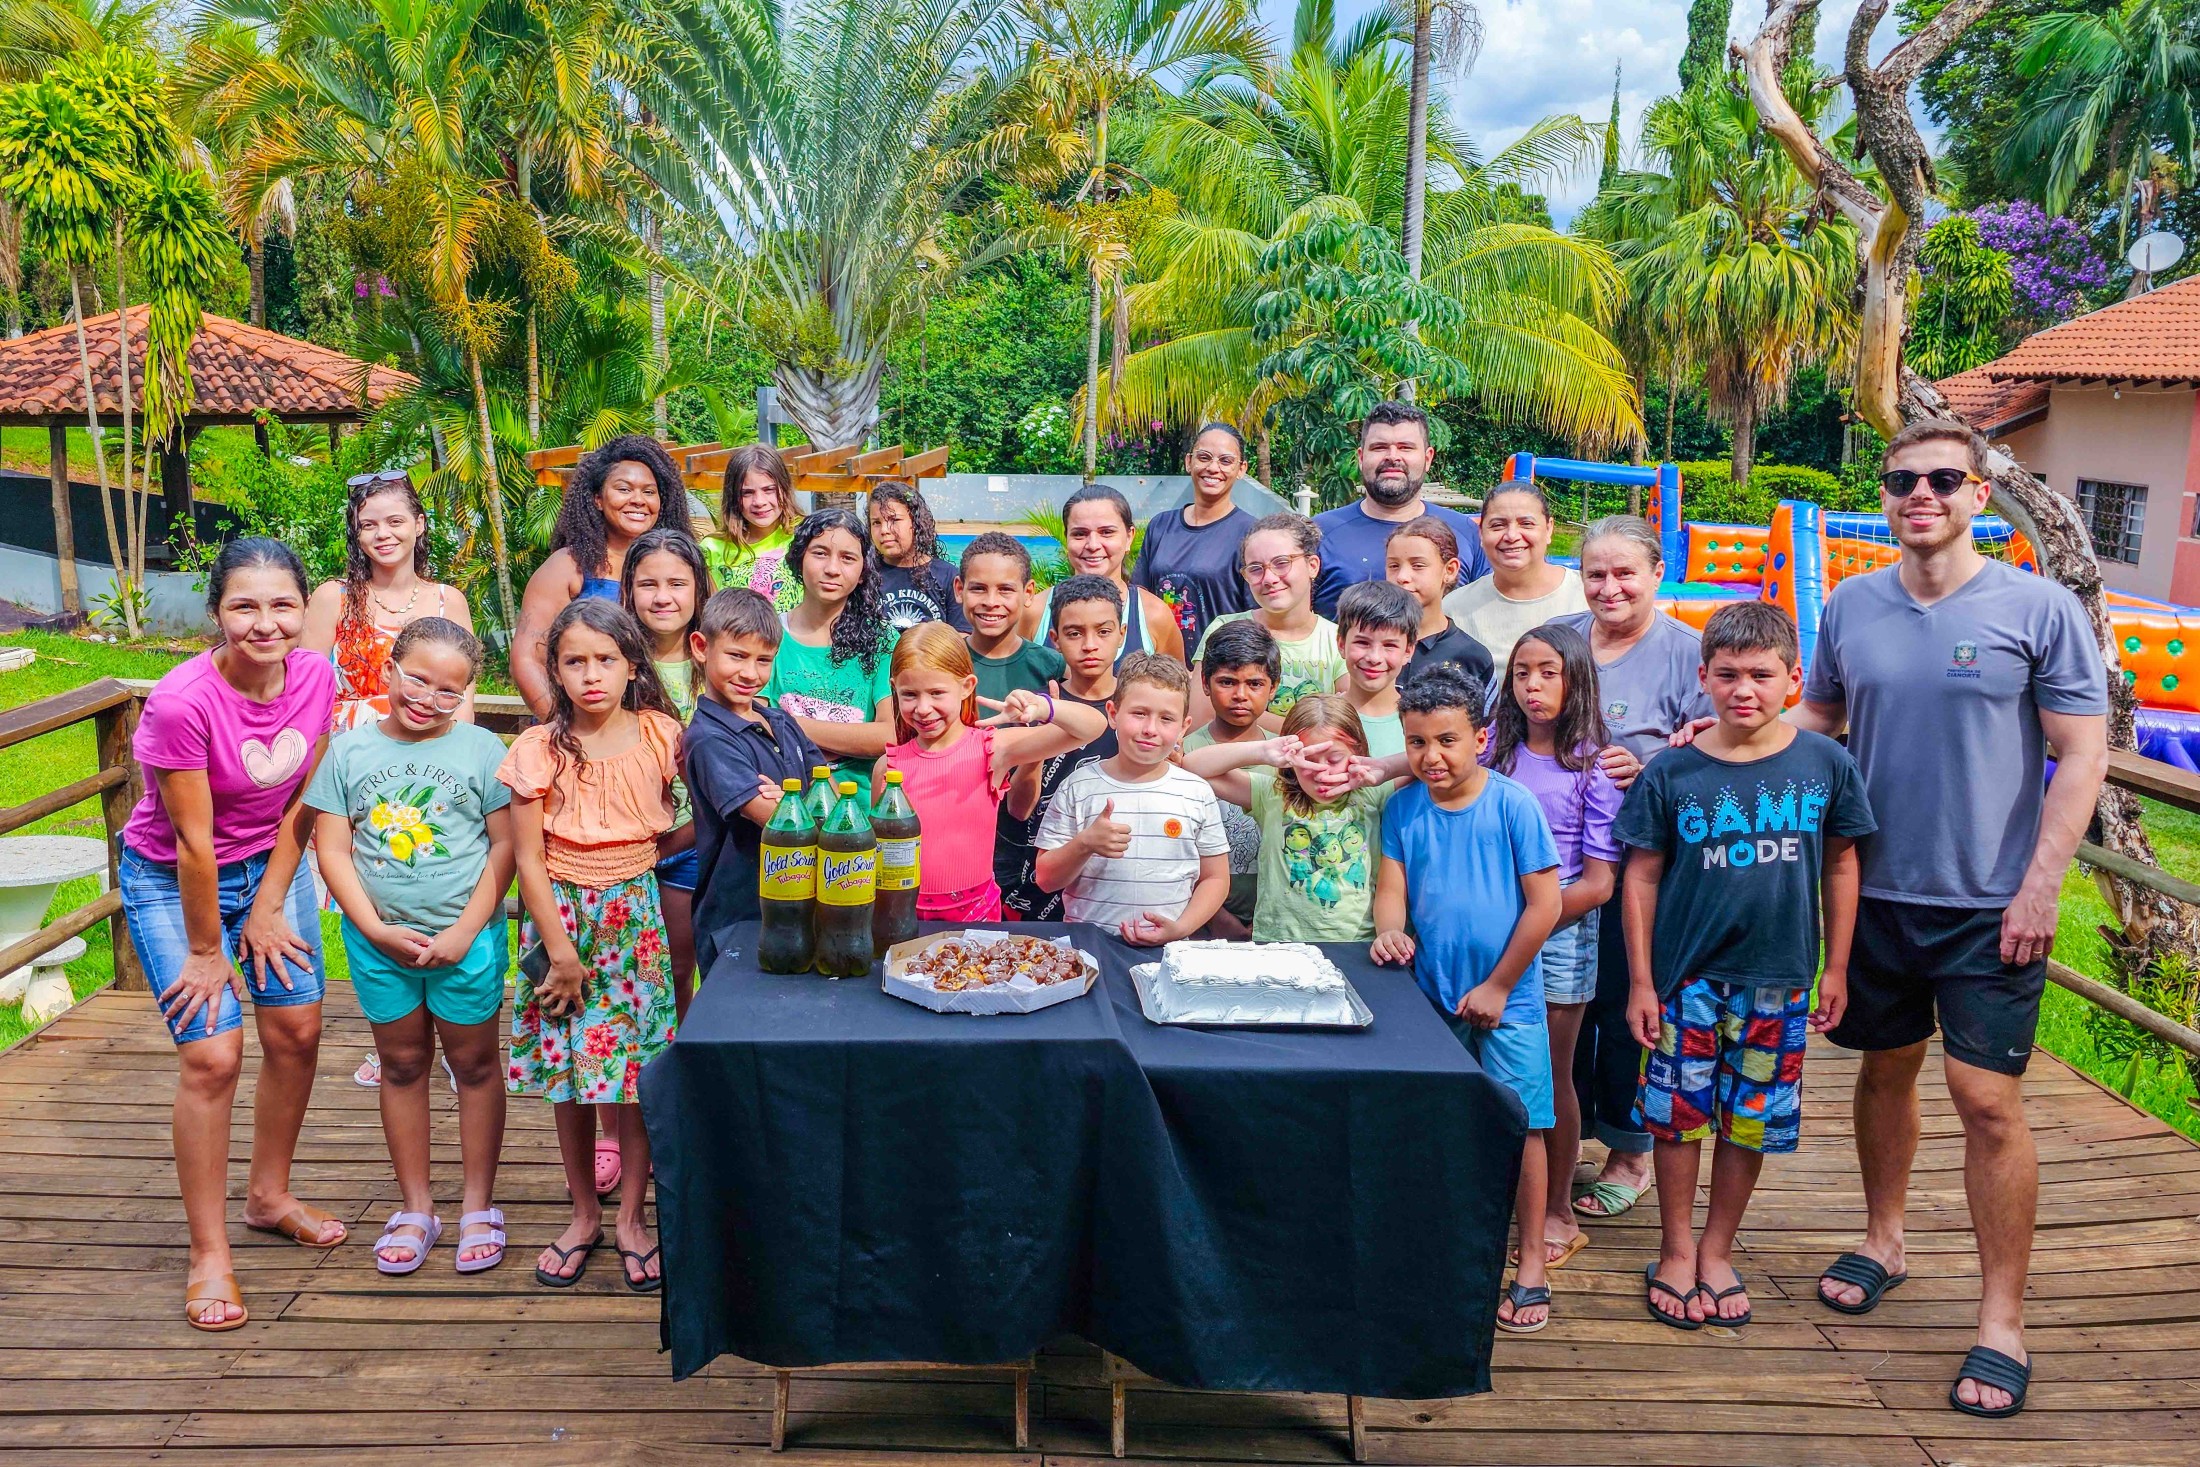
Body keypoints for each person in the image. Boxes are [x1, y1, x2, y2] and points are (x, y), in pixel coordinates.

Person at [1798, 420, 2109, 1419]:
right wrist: (1719, 738)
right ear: (1885, 497)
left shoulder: (2037, 606)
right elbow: (1816, 722)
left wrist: (2041, 884)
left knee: (1987, 1102)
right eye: (1901, 481)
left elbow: (2082, 753)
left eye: (1942, 478)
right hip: (1876, 891)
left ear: (1979, 494)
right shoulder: (1850, 604)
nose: (1920, 494)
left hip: (1991, 902)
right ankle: (1884, 1237)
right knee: (1884, 1068)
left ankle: (2000, 1320)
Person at [1618, 602, 1875, 1330]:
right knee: (1678, 1118)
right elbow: (1640, 876)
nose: (1744, 690)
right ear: (1702, 676)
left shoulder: (1825, 764)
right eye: (1727, 674)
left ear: (1794, 679)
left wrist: (1835, 967)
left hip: (1779, 977)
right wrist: (1642, 981)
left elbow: (1842, 863)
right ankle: (1674, 1248)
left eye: (1761, 675)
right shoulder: (1672, 770)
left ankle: (1717, 1248)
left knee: (1749, 1120)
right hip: (1685, 978)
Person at [119, 539, 343, 1332]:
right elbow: (192, 844)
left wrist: (271, 901)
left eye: (283, 604)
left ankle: (268, 1195)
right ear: (216, 610)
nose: (265, 622)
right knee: (213, 1054)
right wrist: (210, 949)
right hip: (175, 878)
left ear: (304, 608)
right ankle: (208, 1251)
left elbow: (306, 795)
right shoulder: (182, 702)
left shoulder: (317, 677)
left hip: (271, 864)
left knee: (297, 1029)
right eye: (244, 605)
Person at [304, 618, 514, 1276]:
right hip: (379, 945)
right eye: (417, 678)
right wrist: (373, 929)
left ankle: (478, 1203)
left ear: (467, 692)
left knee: (474, 1064)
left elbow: (505, 847)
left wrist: (464, 931)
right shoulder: (348, 752)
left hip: (466, 941)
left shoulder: (483, 750)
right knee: (400, 1064)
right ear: (390, 668)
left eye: (449, 690)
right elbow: (332, 848)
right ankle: (417, 1206)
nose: (428, 698)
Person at [498, 598, 682, 1295]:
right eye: (574, 661)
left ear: (633, 664)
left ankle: (633, 1217)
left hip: (635, 922)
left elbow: (689, 814)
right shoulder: (537, 749)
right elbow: (528, 859)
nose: (591, 675)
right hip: (560, 924)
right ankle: (583, 1214)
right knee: (571, 1076)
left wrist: (662, 844)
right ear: (555, 670)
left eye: (606, 659)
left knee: (635, 1077)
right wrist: (561, 953)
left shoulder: (662, 735)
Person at [1373, 665, 1563, 1332]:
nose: (1432, 756)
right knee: (1443, 1120)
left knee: (1524, 1123)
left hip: (1510, 1000)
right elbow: (1392, 890)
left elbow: (1545, 904)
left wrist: (1500, 984)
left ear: (1481, 737)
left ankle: (1531, 1260)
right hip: (1432, 997)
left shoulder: (1513, 805)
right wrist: (1390, 930)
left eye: (1447, 740)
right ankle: (1445, 1246)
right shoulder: (1402, 808)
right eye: (1417, 741)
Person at [1552, 516, 1706, 1223]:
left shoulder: (1688, 654)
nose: (1609, 587)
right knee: (1564, 1006)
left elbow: (1721, 752)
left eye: (1624, 573)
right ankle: (1565, 1141)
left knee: (1625, 1006)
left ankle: (1629, 1152)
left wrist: (1649, 767)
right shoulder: (1557, 639)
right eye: (1595, 574)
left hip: (1642, 864)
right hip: (1558, 862)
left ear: (1656, 574)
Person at [1485, 622, 1621, 1271]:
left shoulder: (1594, 765)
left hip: (1562, 930)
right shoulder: (1495, 748)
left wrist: (1529, 923)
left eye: (1548, 673)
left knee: (1550, 1072)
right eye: (1522, 673)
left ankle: (1558, 1209)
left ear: (1577, 680)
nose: (1533, 686)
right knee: (1495, 1067)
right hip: (1492, 918)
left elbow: (1599, 883)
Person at [875, 624, 1107, 921]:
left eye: (936, 693)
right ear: (894, 688)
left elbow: (1092, 726)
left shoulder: (992, 749)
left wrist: (1043, 707)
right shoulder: (888, 766)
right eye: (909, 694)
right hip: (903, 917)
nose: (923, 708)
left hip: (977, 917)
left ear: (967, 686)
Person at [680, 589, 828, 982]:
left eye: (763, 660)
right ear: (701, 647)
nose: (750, 673)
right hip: (738, 921)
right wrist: (795, 808)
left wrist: (790, 804)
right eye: (737, 656)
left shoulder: (779, 719)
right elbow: (784, 826)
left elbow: (826, 795)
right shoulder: (709, 739)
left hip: (798, 911)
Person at [1035, 651, 1230, 945]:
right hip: (1089, 949)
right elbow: (1046, 879)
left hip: (1169, 950)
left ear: (1184, 727)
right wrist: (1085, 843)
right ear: (1113, 714)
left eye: (1166, 719)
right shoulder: (1078, 786)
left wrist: (1181, 928)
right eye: (1139, 714)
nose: (1150, 729)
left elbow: (1216, 879)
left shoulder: (1196, 793)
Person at [513, 434, 695, 717]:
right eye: (624, 489)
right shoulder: (568, 566)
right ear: (598, 498)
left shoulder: (684, 565)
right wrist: (565, 727)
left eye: (649, 492)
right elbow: (528, 659)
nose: (638, 500)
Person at [1183, 694, 1390, 943]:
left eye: (1334, 759)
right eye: (1308, 760)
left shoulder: (1373, 793)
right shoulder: (1273, 795)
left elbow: (1418, 766)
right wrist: (1263, 751)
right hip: (1278, 943)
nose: (1321, 771)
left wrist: (1385, 769)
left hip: (1356, 943)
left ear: (1358, 753)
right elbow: (1192, 766)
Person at [304, 469, 473, 733]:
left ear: (419, 524)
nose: (382, 534)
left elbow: (462, 698)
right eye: (368, 525)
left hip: (427, 746)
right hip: (345, 747)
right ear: (357, 534)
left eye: (395, 522)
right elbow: (306, 692)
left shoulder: (449, 601)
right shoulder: (333, 598)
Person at [998, 576, 1125, 920]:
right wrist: (1039, 743)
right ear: (1055, 639)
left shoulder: (1138, 710)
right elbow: (1018, 810)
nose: (1089, 645)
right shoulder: (1034, 707)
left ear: (1122, 634)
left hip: (1115, 884)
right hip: (1037, 886)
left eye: (1103, 631)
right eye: (1074, 633)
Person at [621, 527, 710, 1017]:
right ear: (629, 589)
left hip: (694, 839)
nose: (662, 597)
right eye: (648, 584)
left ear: (698, 588)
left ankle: (681, 1056)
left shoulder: (717, 660)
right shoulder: (612, 661)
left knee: (679, 966)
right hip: (624, 843)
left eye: (676, 584)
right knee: (627, 969)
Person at [1312, 400, 1489, 618]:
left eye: (1406, 447)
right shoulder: (1320, 533)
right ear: (1361, 457)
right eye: (1379, 447)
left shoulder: (1466, 533)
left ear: (1428, 458)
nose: (1393, 456)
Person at [766, 508, 897, 785]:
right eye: (820, 553)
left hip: (860, 801)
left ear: (863, 572)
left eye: (848, 558)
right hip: (785, 797)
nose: (832, 569)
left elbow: (890, 735)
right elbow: (755, 724)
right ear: (799, 558)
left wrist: (789, 725)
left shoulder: (882, 640)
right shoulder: (768, 633)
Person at [1192, 512, 1345, 726]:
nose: (1269, 579)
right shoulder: (1225, 628)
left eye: (1281, 563)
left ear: (1312, 565)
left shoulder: (1336, 640)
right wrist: (1311, 729)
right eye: (1256, 569)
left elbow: (1346, 725)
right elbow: (1201, 717)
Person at [1183, 619, 1280, 935]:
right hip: (1196, 920)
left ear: (1273, 687)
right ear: (1205, 683)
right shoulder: (1183, 753)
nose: (1240, 695)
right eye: (1227, 682)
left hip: (1273, 919)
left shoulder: (1286, 757)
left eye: (1255, 684)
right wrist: (1217, 918)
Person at [1022, 485, 1185, 664]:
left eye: (1106, 532)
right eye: (1080, 534)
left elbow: (1176, 680)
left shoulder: (1154, 616)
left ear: (1129, 537)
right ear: (1066, 537)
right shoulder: (1034, 612)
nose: (1093, 545)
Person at [1132, 422, 1258, 651]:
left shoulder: (1252, 534)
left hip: (1220, 665)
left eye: (1226, 461)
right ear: (1189, 462)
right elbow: (1139, 599)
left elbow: (1257, 615)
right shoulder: (1161, 526)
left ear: (1241, 469)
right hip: (1159, 665)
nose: (1213, 468)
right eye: (1204, 457)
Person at [1442, 480, 1587, 668]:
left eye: (1526, 524)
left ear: (1549, 529)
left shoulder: (1588, 595)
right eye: (1498, 525)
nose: (1511, 536)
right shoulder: (1454, 609)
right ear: (1481, 534)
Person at [1384, 517, 1494, 689]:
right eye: (1393, 566)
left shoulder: (1472, 656)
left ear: (1449, 570)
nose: (1402, 577)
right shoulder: (1367, 645)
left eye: (1418, 565)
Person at [959, 532, 1066, 703]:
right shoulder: (943, 661)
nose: (991, 602)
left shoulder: (1052, 665)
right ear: (959, 590)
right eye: (978, 588)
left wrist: (1055, 712)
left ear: (1028, 593)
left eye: (1005, 589)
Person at [701, 443, 802, 605]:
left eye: (769, 490)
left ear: (785, 489)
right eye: (747, 493)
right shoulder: (711, 549)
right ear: (733, 497)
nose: (759, 502)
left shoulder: (804, 538)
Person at [1333, 579, 1419, 758]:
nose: (1374, 658)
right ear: (1341, 644)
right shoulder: (1321, 718)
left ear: (1408, 650)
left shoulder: (1423, 722)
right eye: (1362, 643)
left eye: (1389, 645)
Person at [870, 480, 968, 631]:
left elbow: (962, 635)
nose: (884, 530)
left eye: (894, 520)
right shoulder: (866, 576)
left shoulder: (948, 577)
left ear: (916, 523)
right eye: (876, 522)